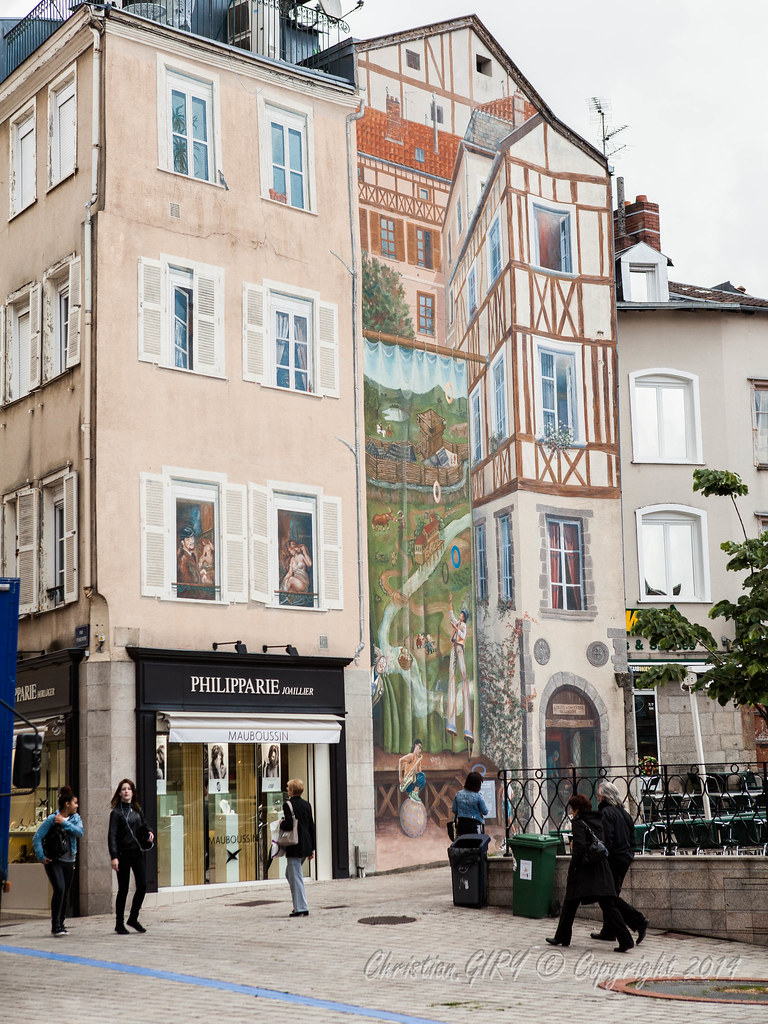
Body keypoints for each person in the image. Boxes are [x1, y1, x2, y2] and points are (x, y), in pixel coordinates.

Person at [546, 794, 635, 953]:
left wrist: (573, 866)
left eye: (572, 809)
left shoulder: (579, 822)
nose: (571, 812)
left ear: (577, 809)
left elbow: (579, 848)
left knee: (572, 902)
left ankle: (563, 936)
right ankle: (625, 939)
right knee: (605, 904)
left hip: (584, 870)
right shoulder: (597, 819)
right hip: (601, 867)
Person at [591, 780, 648, 944]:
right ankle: (609, 931)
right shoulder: (624, 813)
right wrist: (629, 854)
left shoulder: (606, 813)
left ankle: (638, 921)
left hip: (613, 859)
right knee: (611, 894)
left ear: (605, 797)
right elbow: (632, 838)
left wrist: (602, 857)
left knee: (607, 897)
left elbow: (606, 839)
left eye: (599, 795)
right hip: (624, 858)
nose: (597, 798)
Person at [33, 785, 83, 936]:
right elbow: (37, 837)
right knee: (59, 889)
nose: (77, 806)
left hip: (70, 861)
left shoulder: (75, 818)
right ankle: (55, 925)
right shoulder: (52, 819)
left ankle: (61, 923)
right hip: (54, 861)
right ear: (67, 804)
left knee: (65, 892)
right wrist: (41, 856)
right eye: (75, 803)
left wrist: (64, 823)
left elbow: (79, 832)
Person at [108, 778, 154, 935]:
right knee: (123, 889)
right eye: (123, 789)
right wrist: (114, 856)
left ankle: (133, 918)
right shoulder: (116, 813)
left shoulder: (137, 810)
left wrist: (149, 833)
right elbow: (112, 836)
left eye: (128, 789)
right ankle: (119, 923)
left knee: (142, 885)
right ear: (120, 793)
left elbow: (144, 826)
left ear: (133, 792)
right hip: (123, 854)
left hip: (137, 853)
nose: (126, 791)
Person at [281, 779, 316, 917]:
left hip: (294, 845)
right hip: (306, 844)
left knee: (296, 877)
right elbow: (311, 826)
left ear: (291, 790)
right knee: (290, 874)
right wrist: (312, 848)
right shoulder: (307, 804)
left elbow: (289, 825)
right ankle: (299, 905)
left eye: (288, 788)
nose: (287, 790)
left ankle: (301, 908)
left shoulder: (288, 805)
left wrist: (281, 823)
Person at [446, 594, 473, 744]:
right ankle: (451, 722)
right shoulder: (458, 622)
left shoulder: (463, 626)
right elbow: (451, 615)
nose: (460, 616)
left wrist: (456, 627)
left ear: (464, 617)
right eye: (460, 614)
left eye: (462, 615)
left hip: (459, 649)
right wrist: (450, 602)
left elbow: (462, 635)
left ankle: (467, 728)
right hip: (454, 648)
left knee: (463, 676)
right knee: (452, 675)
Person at [452, 771, 488, 836]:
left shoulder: (459, 794)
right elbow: (485, 811)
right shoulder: (478, 796)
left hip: (462, 825)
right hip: (476, 825)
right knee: (477, 841)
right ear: (477, 785)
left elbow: (454, 810)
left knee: (463, 842)